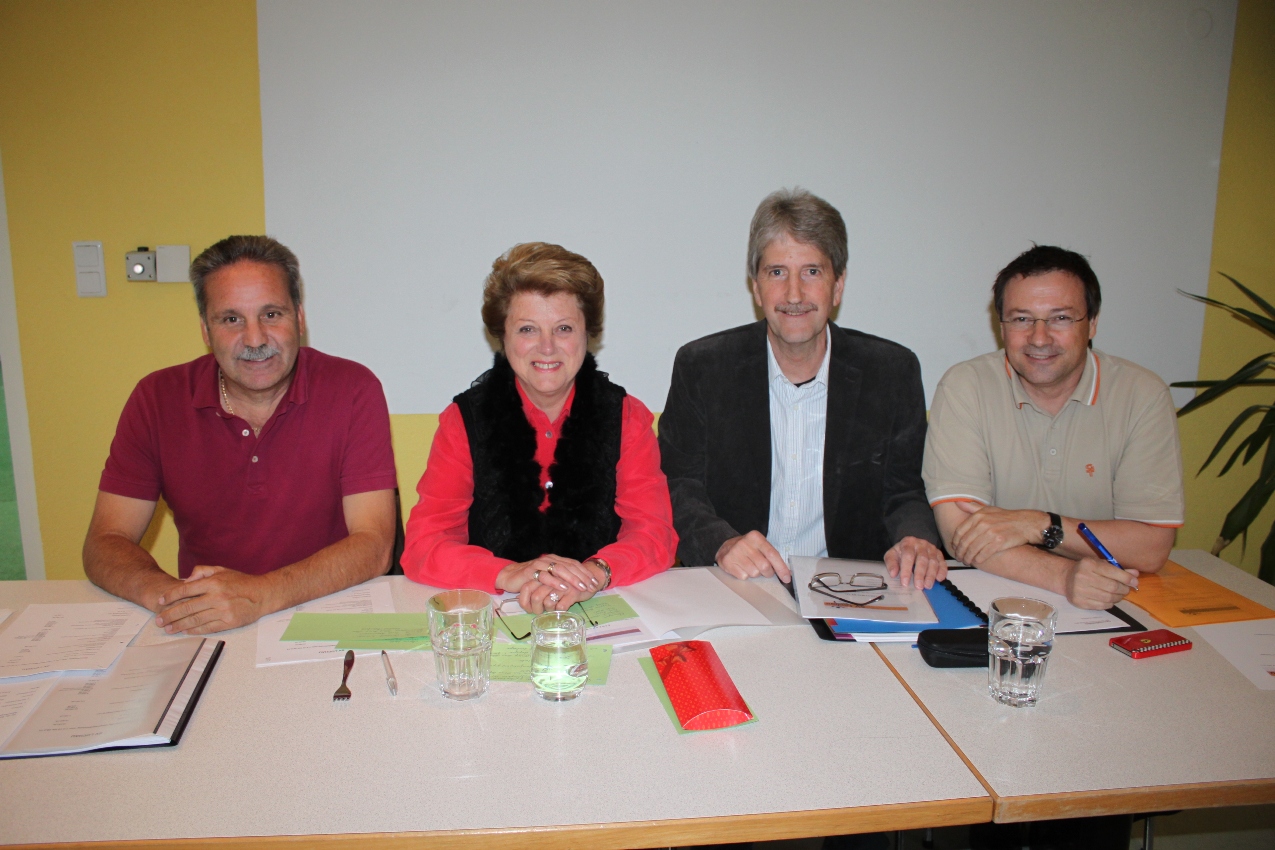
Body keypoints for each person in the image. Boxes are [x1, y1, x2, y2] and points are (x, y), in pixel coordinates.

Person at [83, 235, 398, 634]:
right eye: (231, 319)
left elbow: (374, 545)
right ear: (205, 329)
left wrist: (258, 596)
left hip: (328, 614)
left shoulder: (352, 388)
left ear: (299, 318)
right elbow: (106, 540)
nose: (255, 339)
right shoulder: (156, 398)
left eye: (271, 314)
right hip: (210, 623)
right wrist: (174, 598)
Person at [659, 188, 945, 589]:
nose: (794, 295)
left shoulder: (891, 372)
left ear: (838, 286)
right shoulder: (702, 367)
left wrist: (915, 538)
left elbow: (904, 491)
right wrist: (720, 542)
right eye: (777, 273)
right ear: (756, 288)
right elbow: (677, 482)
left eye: (812, 271)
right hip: (737, 584)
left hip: (851, 587)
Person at [402, 242, 677, 613]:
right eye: (528, 329)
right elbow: (424, 546)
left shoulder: (627, 416)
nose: (547, 347)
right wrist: (508, 573)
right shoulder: (463, 422)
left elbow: (655, 533)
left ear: (588, 333)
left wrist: (593, 573)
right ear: (502, 336)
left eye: (563, 328)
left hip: (604, 610)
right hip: (495, 614)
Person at [923, 245, 1184, 609]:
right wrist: (1063, 576)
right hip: (996, 595)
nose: (1039, 338)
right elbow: (961, 536)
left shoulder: (1142, 395)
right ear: (1001, 327)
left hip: (1114, 599)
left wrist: (1039, 525)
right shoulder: (966, 386)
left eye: (1060, 318)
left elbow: (1151, 548)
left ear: (1092, 323)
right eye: (1021, 319)